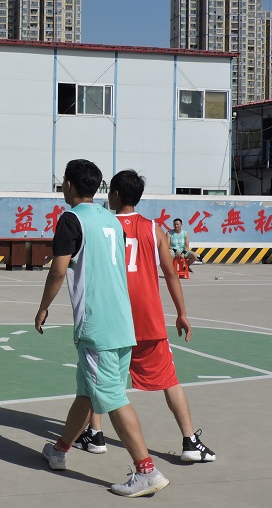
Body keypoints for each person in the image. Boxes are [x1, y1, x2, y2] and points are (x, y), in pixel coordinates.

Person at [34, 159, 169, 498]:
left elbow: (59, 270)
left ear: (68, 185)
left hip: (97, 326)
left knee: (112, 397)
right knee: (87, 392)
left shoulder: (72, 219)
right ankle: (60, 450)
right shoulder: (112, 220)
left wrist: (43, 306)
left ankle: (146, 471)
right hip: (122, 322)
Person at [73, 170, 215, 463]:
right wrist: (182, 313)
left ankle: (95, 434)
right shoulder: (154, 229)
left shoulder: (104, 224)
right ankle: (189, 440)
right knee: (169, 380)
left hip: (112, 316)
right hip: (147, 317)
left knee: (100, 378)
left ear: (115, 195)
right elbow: (171, 274)